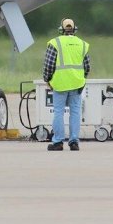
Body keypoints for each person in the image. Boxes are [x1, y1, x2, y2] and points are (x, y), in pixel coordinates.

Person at [43, 18, 90, 151]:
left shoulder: (55, 43)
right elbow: (87, 66)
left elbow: (48, 64)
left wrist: (47, 79)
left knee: (58, 112)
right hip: (77, 84)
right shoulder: (82, 44)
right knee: (75, 112)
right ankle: (74, 142)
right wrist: (82, 78)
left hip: (60, 83)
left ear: (61, 29)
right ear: (74, 29)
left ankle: (58, 142)